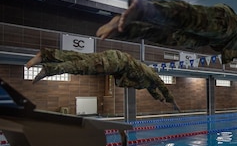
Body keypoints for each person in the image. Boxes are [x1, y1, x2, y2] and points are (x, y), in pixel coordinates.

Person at [96, 0, 237, 77]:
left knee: (173, 38)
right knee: (191, 18)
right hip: (230, 25)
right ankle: (146, 10)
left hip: (217, 41)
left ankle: (125, 29)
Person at [26, 48, 180, 111]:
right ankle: (50, 69)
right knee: (84, 67)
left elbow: (155, 90)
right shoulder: (152, 75)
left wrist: (161, 99)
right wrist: (172, 102)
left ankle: (45, 55)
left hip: (116, 60)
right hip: (118, 62)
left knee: (81, 58)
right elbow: (162, 86)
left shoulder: (148, 83)